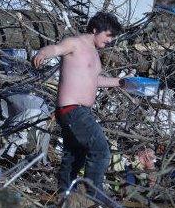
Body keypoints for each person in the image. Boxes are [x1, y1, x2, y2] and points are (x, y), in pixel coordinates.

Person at [33, 12, 125, 194]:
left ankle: (65, 197)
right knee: (100, 150)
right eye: (108, 35)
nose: (110, 40)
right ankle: (93, 197)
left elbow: (94, 80)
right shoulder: (75, 43)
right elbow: (56, 49)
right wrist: (43, 53)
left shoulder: (95, 54)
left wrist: (120, 83)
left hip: (80, 111)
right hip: (72, 109)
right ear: (95, 29)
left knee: (74, 155)